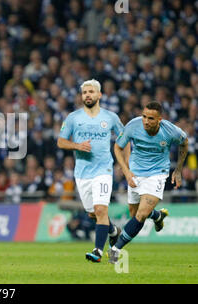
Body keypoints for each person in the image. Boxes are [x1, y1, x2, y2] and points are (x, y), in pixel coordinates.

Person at [57, 79, 129, 263]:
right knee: (93, 213)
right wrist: (77, 146)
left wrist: (125, 166)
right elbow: (61, 141)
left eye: (91, 92)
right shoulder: (73, 117)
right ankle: (113, 231)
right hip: (82, 173)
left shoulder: (110, 117)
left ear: (99, 95)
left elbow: (124, 140)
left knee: (100, 209)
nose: (87, 95)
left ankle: (97, 250)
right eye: (84, 92)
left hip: (103, 170)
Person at [108, 101, 188, 263]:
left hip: (157, 175)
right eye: (144, 116)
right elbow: (118, 147)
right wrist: (126, 172)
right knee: (135, 214)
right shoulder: (133, 126)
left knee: (141, 214)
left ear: (159, 119)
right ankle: (157, 216)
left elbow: (184, 143)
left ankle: (115, 249)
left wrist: (178, 169)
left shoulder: (170, 131)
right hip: (135, 174)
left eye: (150, 118)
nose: (145, 121)